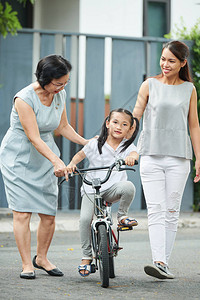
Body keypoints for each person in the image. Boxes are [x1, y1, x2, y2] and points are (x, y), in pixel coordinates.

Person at [0, 54, 89, 279]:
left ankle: (41, 258)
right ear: (44, 79)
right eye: (59, 83)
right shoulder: (24, 98)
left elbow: (63, 126)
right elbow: (34, 137)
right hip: (19, 157)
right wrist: (57, 161)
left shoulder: (59, 94)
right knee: (22, 213)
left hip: (46, 155)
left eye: (66, 83)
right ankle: (26, 264)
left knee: (48, 213)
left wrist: (87, 143)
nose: (62, 87)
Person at [133, 40, 200, 280]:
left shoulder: (189, 90)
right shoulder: (149, 85)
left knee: (171, 211)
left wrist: (199, 158)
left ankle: (163, 263)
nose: (165, 64)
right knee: (156, 210)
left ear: (183, 63)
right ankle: (159, 261)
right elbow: (135, 118)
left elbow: (194, 124)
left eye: (171, 61)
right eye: (163, 59)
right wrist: (130, 149)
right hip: (150, 155)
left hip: (179, 158)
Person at [66, 108, 139, 276]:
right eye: (115, 122)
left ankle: (122, 216)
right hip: (92, 189)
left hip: (112, 188)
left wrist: (132, 158)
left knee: (129, 187)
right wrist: (71, 164)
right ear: (107, 124)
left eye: (124, 124)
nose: (119, 127)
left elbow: (134, 153)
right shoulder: (94, 143)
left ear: (129, 129)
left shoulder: (126, 146)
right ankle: (86, 257)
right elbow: (79, 156)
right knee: (85, 219)